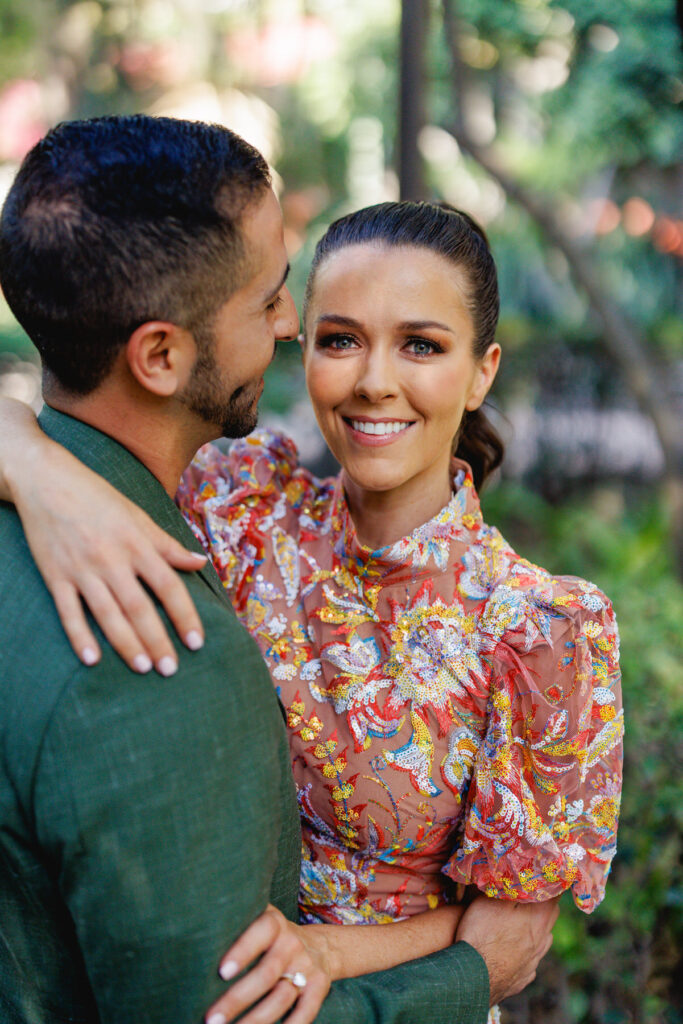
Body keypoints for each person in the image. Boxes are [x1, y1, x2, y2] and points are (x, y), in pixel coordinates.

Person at [0, 137, 621, 1022]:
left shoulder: (537, 628)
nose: (373, 381)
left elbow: (508, 945)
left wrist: (324, 949)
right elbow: (86, 406)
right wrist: (30, 461)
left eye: (420, 345)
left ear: (481, 370)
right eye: (340, 340)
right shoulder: (241, 504)